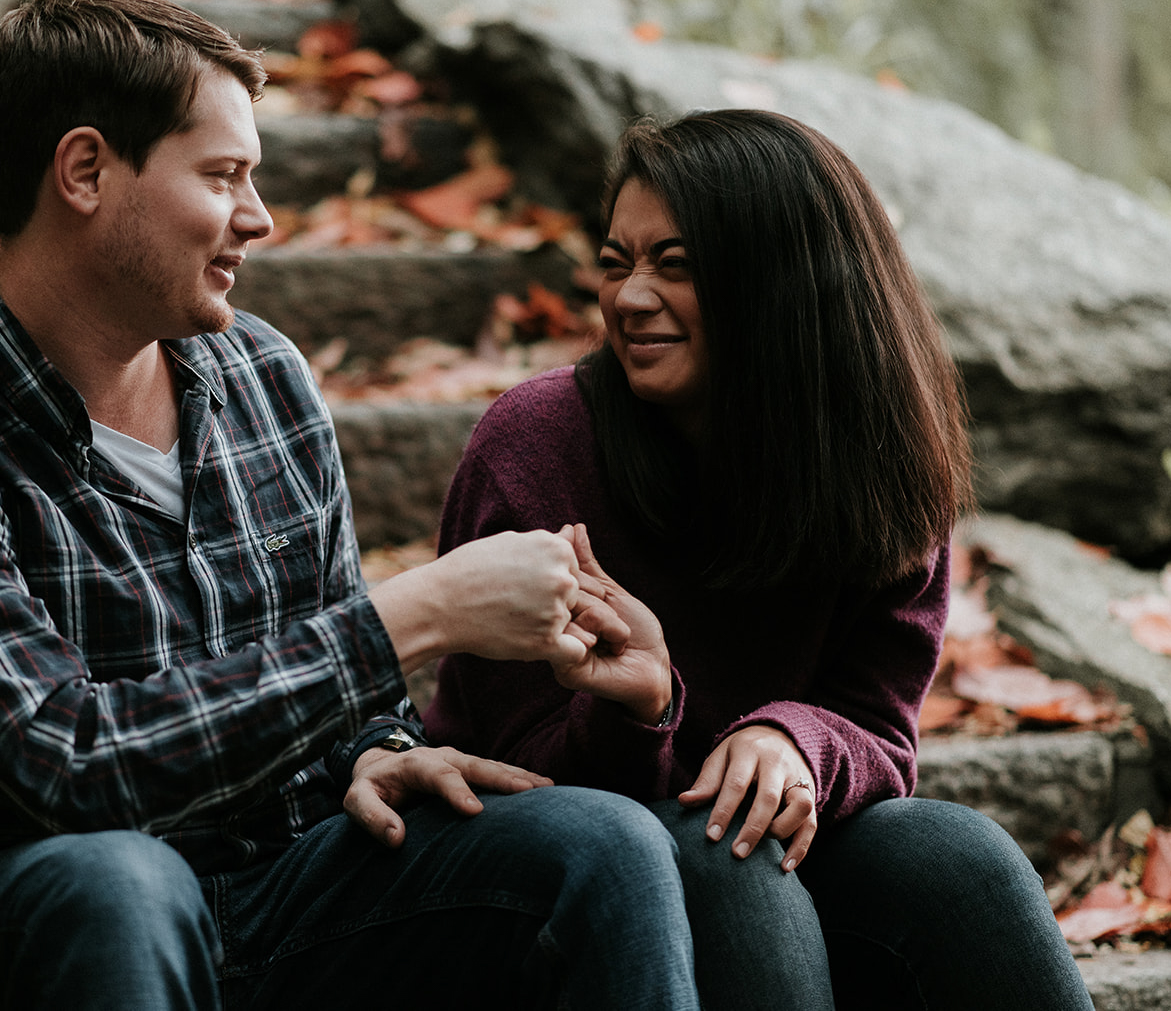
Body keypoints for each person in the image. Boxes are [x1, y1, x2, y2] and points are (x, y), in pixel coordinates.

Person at [0, 0, 701, 1011]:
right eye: (224, 175)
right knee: (121, 881)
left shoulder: (264, 377)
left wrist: (377, 752)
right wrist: (422, 612)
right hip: (21, 923)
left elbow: (351, 708)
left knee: (600, 846)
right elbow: (69, 764)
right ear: (86, 170)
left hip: (272, 891)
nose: (260, 219)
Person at [423, 109, 1095, 1010]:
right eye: (618, 262)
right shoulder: (539, 447)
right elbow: (526, 790)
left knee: (954, 855)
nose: (628, 298)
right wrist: (639, 711)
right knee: (724, 861)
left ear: (787, 282)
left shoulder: (875, 456)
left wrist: (796, 739)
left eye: (676, 264)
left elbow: (880, 727)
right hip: (543, 888)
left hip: (768, 865)